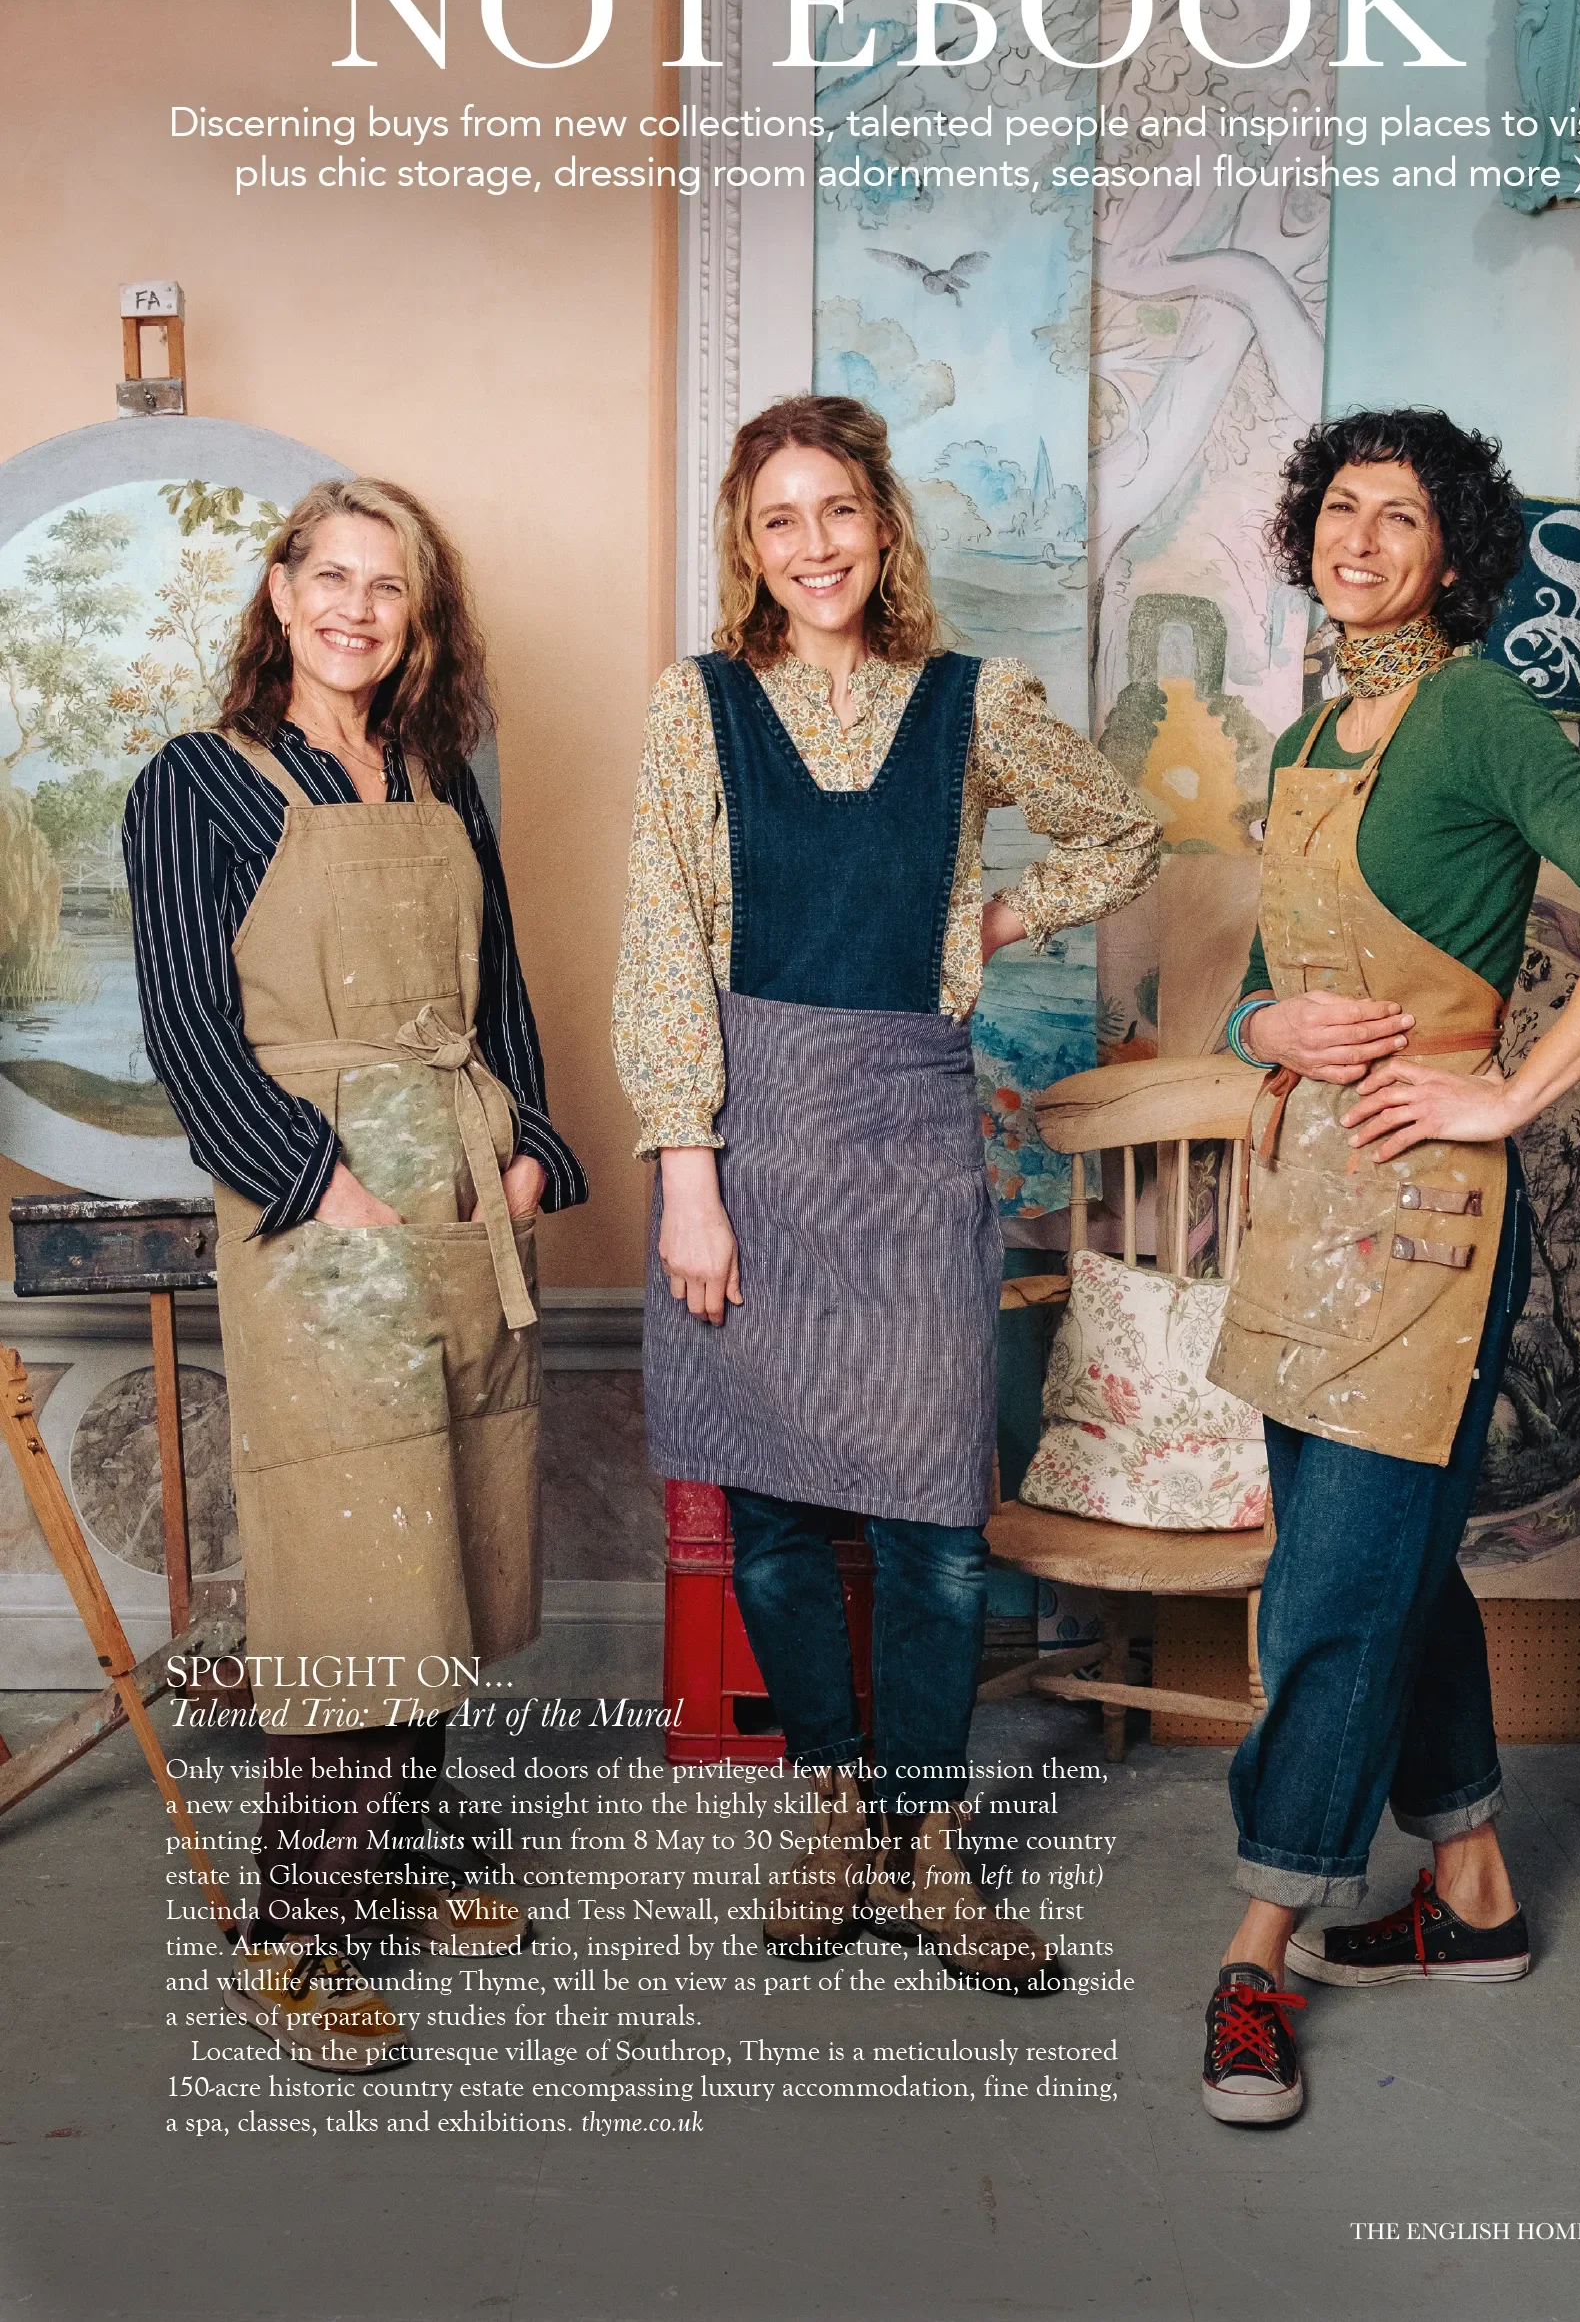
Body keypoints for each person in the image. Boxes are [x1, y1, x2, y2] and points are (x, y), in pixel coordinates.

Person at [1197, 410, 1580, 2125]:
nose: (1355, 538)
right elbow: (1260, 976)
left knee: (1336, 1588)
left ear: (1450, 553)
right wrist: (1260, 1016)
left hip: (1427, 1228)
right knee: (1384, 1557)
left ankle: (1259, 1948)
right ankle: (1474, 1898)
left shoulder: (1481, 707)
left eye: (1394, 516)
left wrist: (1510, 1090)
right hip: (1303, 1216)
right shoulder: (1310, 729)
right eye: (1336, 508)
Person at [613, 393, 1157, 1990]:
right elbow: (658, 941)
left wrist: (992, 922)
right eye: (778, 519)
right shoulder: (694, 705)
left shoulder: (974, 704)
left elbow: (1123, 829)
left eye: (835, 510)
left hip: (912, 1145)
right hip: (749, 1138)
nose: (812, 545)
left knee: (934, 1526)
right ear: (748, 545)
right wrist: (686, 1177)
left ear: (881, 523)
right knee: (772, 1515)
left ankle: (928, 1842)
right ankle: (836, 1806)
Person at [123, 478, 586, 2070]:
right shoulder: (196, 781)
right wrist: (318, 1185)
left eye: (389, 588)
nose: (357, 610)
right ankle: (296, 1932)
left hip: (461, 1180)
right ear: (278, 588)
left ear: (419, 617)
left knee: (450, 1519)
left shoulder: (438, 771)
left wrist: (529, 1150)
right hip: (322, 1213)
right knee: (355, 1561)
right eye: (331, 576)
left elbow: (503, 987)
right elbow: (187, 1021)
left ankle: (407, 1860)